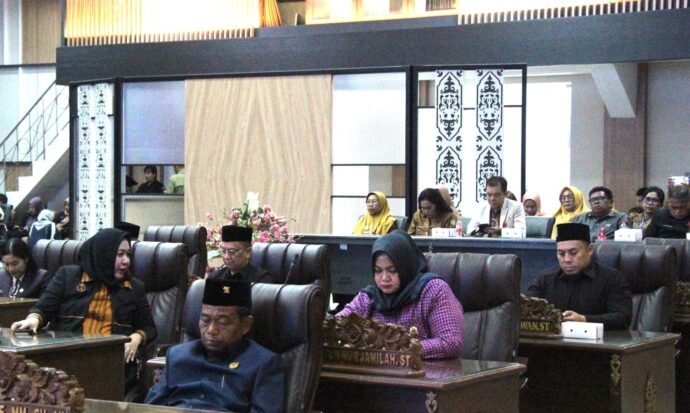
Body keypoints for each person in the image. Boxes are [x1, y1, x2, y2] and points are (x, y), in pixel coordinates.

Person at [11, 228, 157, 392]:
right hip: (67, 362)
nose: (126, 261)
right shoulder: (68, 276)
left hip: (112, 367)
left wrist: (137, 337)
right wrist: (34, 319)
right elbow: (43, 309)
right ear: (102, 254)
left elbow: (149, 328)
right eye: (119, 254)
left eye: (128, 255)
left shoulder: (134, 287)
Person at [144, 278, 286, 412]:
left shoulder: (263, 364)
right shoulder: (177, 355)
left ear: (245, 325)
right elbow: (148, 408)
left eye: (223, 322)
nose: (211, 330)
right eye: (205, 320)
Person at [337, 230, 463, 360]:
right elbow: (336, 326)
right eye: (378, 271)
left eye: (392, 270)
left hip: (427, 370)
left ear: (406, 267)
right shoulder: (369, 297)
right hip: (377, 370)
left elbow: (451, 342)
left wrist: (399, 349)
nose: (384, 278)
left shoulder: (433, 290)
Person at [527, 223, 632, 330]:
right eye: (561, 254)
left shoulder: (612, 279)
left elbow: (622, 318)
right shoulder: (545, 279)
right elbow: (525, 311)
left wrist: (584, 320)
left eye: (573, 253)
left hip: (599, 340)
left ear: (589, 250)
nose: (567, 259)